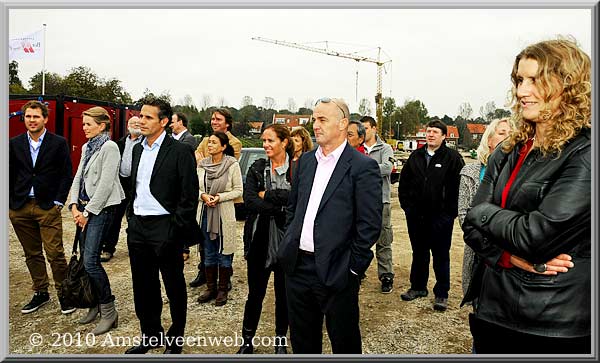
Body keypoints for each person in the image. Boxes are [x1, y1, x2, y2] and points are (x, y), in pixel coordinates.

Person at [462, 38, 591, 354]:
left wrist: (482, 213)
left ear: (569, 87)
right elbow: (469, 227)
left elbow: (535, 236)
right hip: (491, 311)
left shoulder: (585, 154)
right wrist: (506, 255)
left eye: (536, 80)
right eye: (520, 79)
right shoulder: (509, 150)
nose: (522, 91)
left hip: (550, 323)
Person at [277, 97, 382, 354]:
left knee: (344, 343)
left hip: (338, 271)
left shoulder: (362, 166)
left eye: (323, 119)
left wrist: (352, 268)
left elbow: (369, 224)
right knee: (303, 342)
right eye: (314, 119)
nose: (316, 125)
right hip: (298, 268)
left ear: (343, 123)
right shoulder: (305, 162)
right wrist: (291, 240)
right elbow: (294, 208)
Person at [125, 98, 200, 354]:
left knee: (174, 286)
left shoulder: (180, 151)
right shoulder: (137, 149)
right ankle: (150, 334)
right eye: (140, 116)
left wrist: (175, 230)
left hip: (165, 226)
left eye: (148, 117)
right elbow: (134, 188)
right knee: (143, 286)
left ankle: (175, 339)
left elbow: (188, 198)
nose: (141, 121)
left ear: (164, 121)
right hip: (138, 227)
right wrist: (131, 219)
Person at [9, 100, 75, 315]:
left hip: (47, 206)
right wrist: (11, 202)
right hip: (20, 207)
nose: (32, 120)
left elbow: (66, 174)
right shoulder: (14, 143)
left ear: (45, 119)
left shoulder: (58, 143)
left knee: (55, 253)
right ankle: (41, 292)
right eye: (28, 116)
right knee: (32, 253)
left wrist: (58, 201)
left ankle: (65, 294)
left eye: (36, 116)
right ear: (24, 118)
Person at [237, 124, 294, 354]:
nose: (265, 145)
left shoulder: (298, 170)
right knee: (255, 294)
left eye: (270, 141)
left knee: (284, 296)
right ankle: (247, 341)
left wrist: (269, 196)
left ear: (284, 142)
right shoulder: (257, 168)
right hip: (259, 238)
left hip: (287, 240)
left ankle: (280, 343)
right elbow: (249, 200)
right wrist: (279, 207)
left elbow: (297, 201)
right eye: (263, 141)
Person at [68, 106, 124, 335]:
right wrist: (73, 205)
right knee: (85, 258)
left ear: (102, 125)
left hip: (102, 209)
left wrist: (87, 212)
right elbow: (79, 176)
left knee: (91, 261)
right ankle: (93, 304)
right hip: (83, 208)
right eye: (83, 124)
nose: (84, 128)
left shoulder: (110, 147)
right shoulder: (86, 146)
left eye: (88, 124)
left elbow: (106, 184)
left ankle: (109, 311)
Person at [398, 120, 464, 312]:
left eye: (435, 132)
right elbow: (404, 184)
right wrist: (408, 209)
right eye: (428, 131)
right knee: (419, 253)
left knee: (441, 255)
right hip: (416, 218)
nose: (431, 135)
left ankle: (441, 293)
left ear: (444, 136)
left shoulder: (452, 158)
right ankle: (418, 287)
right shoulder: (415, 157)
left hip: (440, 219)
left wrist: (448, 214)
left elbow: (456, 190)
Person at [458, 117, 512, 299]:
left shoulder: (522, 173)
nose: (507, 137)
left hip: (510, 253)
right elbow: (464, 215)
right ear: (489, 140)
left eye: (511, 134)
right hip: (477, 249)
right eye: (502, 133)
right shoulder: (471, 173)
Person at [189, 108, 242, 289]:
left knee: (224, 244)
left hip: (223, 202)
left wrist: (218, 196)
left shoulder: (235, 143)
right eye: (212, 119)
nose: (214, 122)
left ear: (227, 123)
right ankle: (205, 274)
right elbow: (199, 160)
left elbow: (226, 166)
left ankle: (224, 280)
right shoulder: (205, 140)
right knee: (206, 244)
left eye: (218, 119)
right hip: (206, 202)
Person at [196, 132, 243, 306]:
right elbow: (195, 188)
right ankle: (210, 288)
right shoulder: (202, 165)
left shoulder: (232, 164)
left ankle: (223, 289)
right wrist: (203, 196)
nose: (209, 146)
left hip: (224, 213)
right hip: (206, 214)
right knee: (208, 251)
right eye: (209, 142)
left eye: (214, 143)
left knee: (224, 251)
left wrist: (219, 197)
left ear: (223, 146)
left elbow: (239, 190)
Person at [101, 116, 142, 262]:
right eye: (132, 123)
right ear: (127, 125)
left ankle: (136, 249)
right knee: (115, 217)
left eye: (138, 122)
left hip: (138, 184)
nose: (136, 125)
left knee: (135, 218)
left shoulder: (145, 143)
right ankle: (108, 248)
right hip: (121, 183)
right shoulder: (119, 143)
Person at [361, 116, 395, 293]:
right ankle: (358, 271)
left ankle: (386, 275)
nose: (363, 131)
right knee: (359, 239)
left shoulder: (385, 148)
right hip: (359, 202)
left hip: (381, 201)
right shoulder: (355, 148)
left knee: (383, 240)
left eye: (366, 128)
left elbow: (387, 169)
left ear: (374, 128)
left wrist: (363, 168)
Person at [170, 112, 199, 262]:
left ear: (181, 122)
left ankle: (184, 248)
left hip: (183, 183)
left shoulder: (189, 139)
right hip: (172, 185)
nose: (170, 125)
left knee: (183, 216)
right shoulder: (170, 139)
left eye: (173, 122)